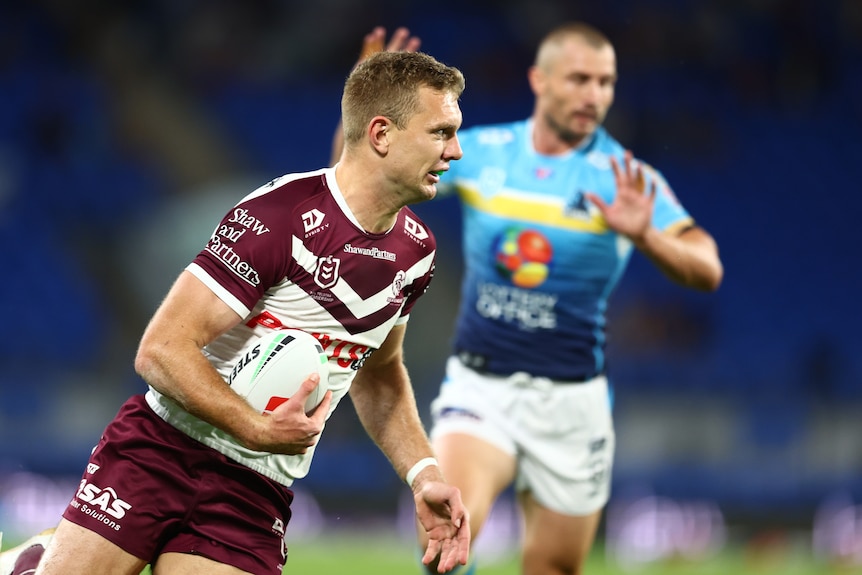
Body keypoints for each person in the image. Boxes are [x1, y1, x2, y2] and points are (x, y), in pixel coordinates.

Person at [3, 49, 470, 575]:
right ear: (381, 134)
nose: (454, 151)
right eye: (441, 132)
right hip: (162, 450)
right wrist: (254, 425)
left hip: (255, 488)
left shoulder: (416, 253)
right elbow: (160, 350)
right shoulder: (280, 216)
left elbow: (380, 375)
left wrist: (424, 474)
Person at [336, 23, 724, 575]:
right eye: (579, 79)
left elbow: (707, 268)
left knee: (553, 566)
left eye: (606, 82)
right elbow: (362, 178)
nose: (594, 95)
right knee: (446, 542)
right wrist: (371, 105)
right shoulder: (488, 151)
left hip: (573, 402)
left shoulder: (625, 178)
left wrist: (648, 236)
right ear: (539, 80)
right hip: (483, 387)